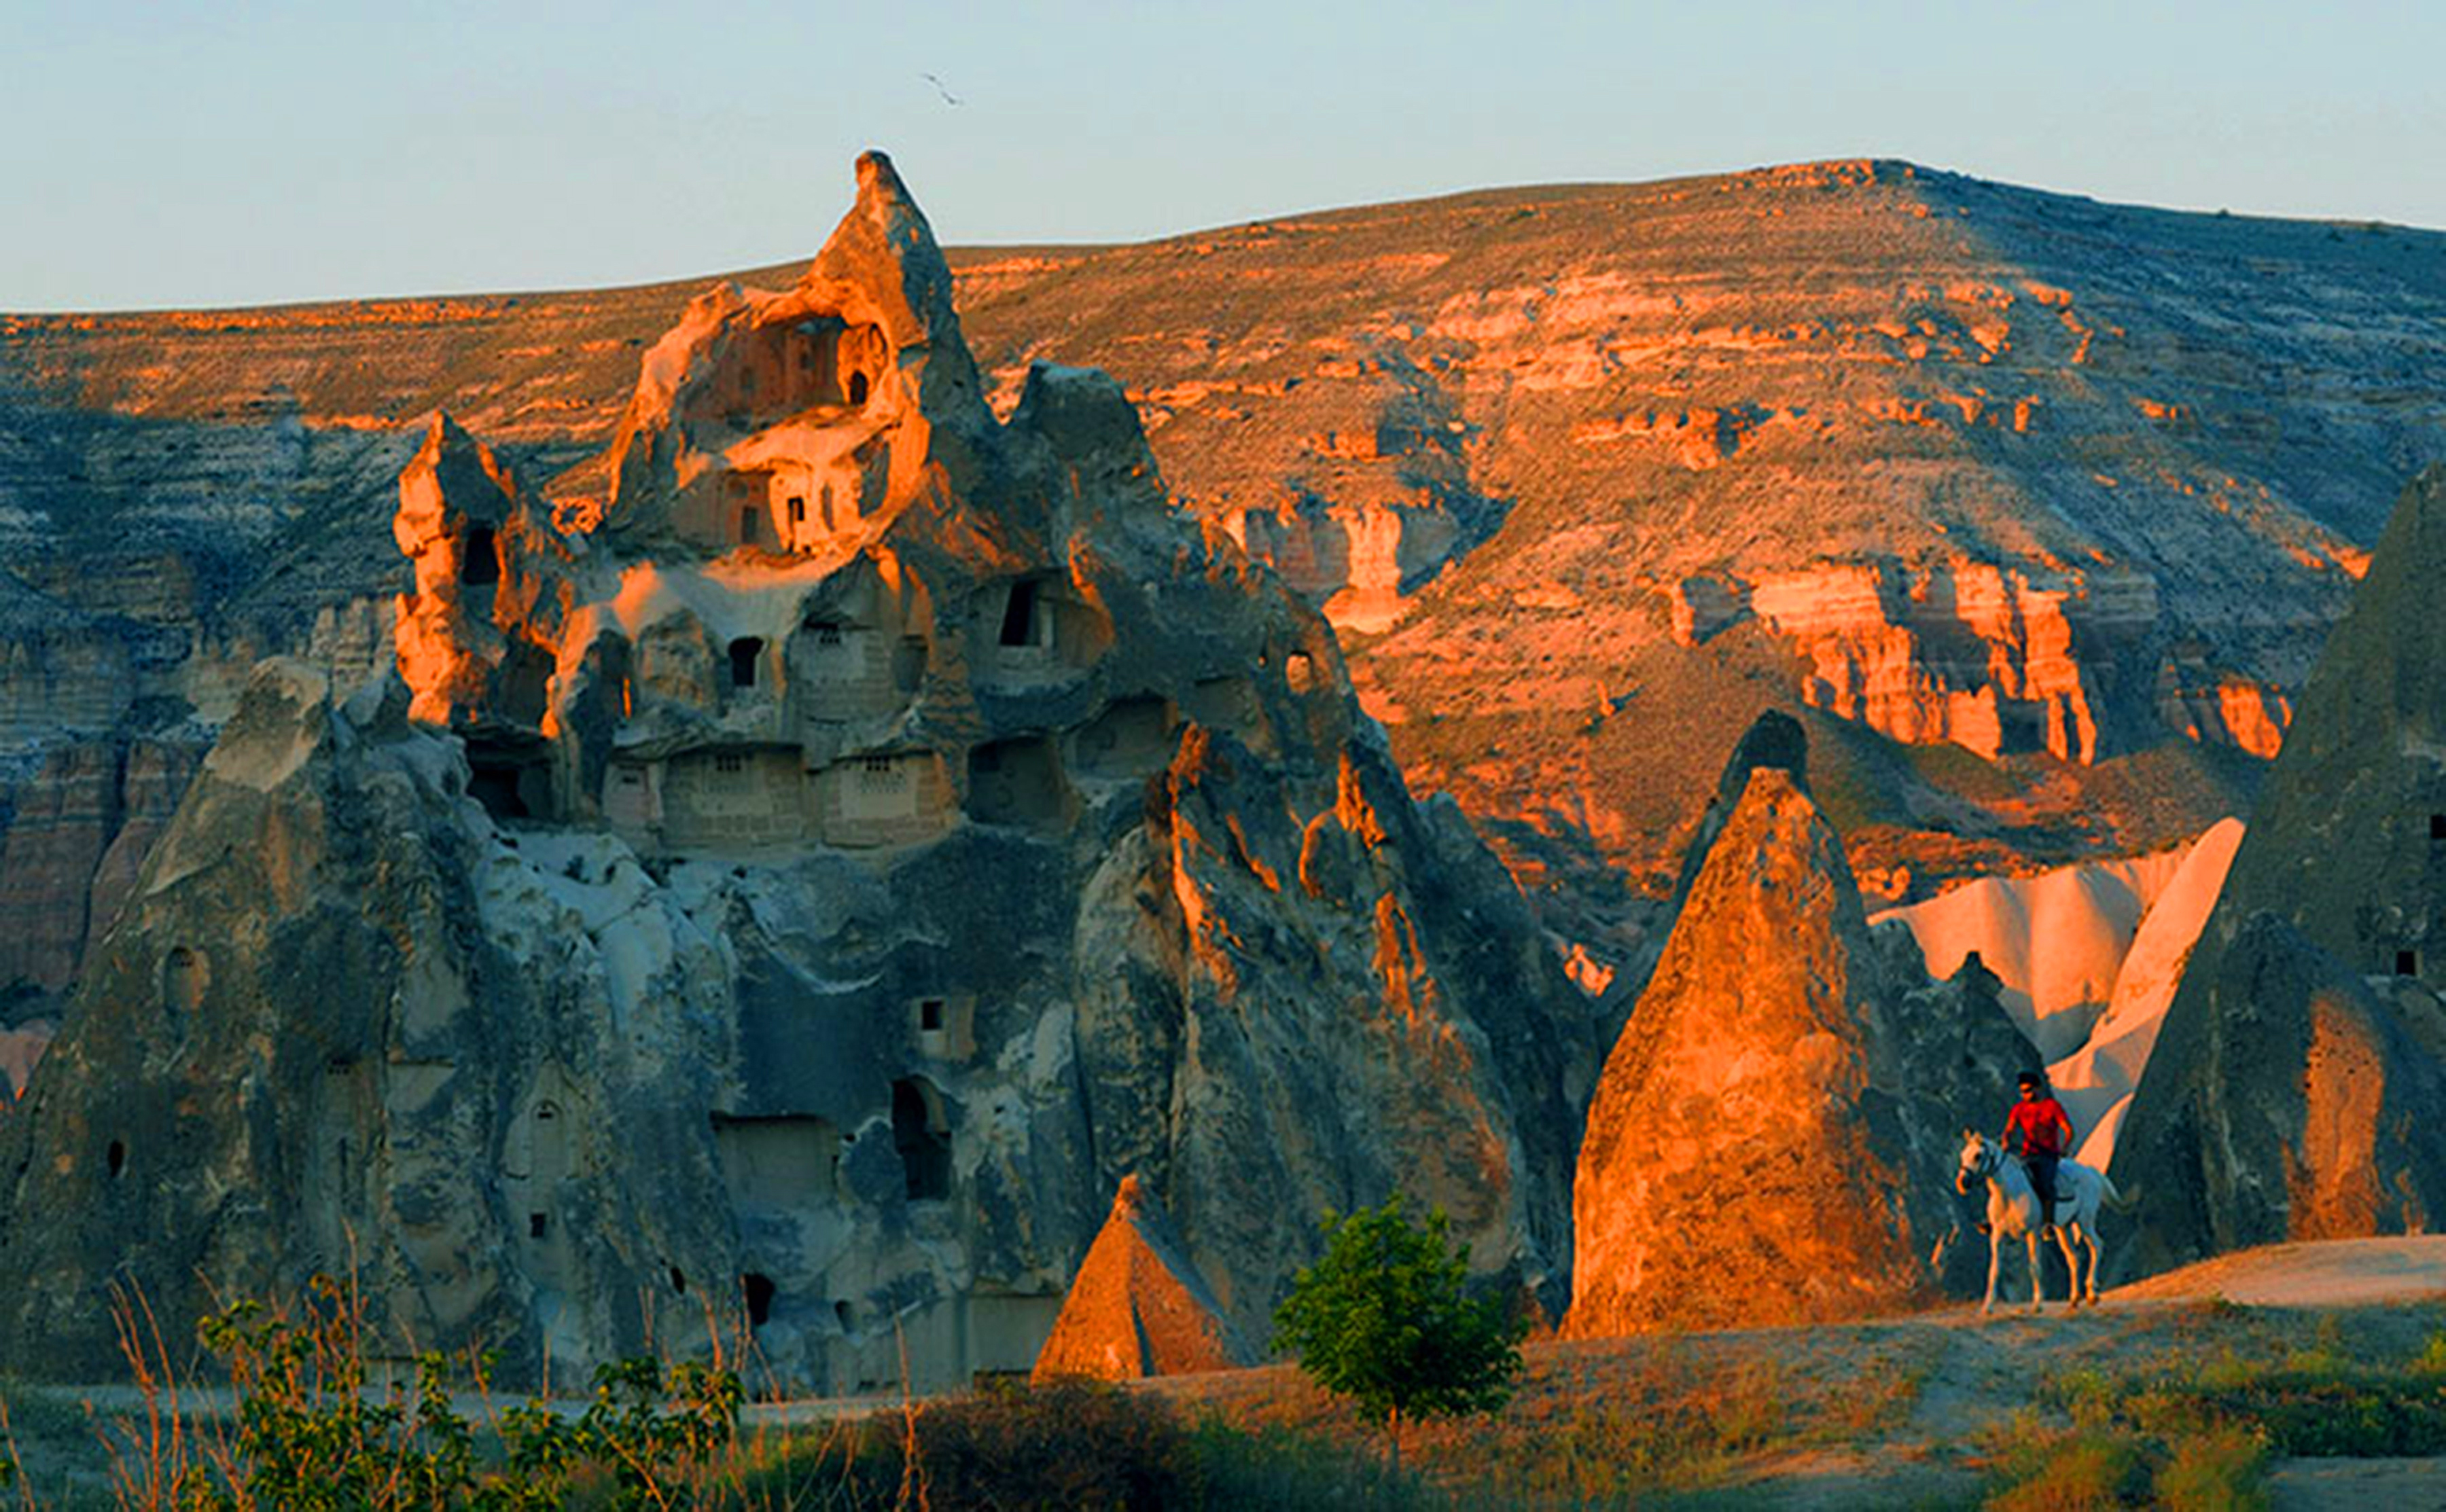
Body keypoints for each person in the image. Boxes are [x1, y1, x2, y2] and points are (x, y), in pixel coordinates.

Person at [2002, 1069, 2075, 1230]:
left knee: (2045, 1185)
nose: (2025, 1095)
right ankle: (1999, 1220)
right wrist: (2006, 1141)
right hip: (2027, 1155)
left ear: (2038, 1088)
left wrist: (2064, 1148)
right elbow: (2009, 1129)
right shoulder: (2019, 1109)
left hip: (2048, 1155)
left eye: (2028, 1091)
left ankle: (2048, 1223)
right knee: (2006, 1180)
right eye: (2022, 1092)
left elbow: (2068, 1130)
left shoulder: (2052, 1107)